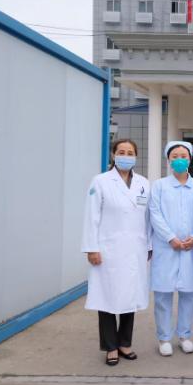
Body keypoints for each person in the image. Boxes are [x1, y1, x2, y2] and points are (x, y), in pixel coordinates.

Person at [81, 139, 151, 366]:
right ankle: (111, 347)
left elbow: (147, 218)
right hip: (108, 250)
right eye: (121, 152)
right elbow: (91, 216)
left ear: (136, 157)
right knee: (107, 298)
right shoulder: (101, 181)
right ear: (113, 154)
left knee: (130, 297)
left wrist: (149, 246)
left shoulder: (143, 183)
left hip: (135, 249)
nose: (126, 156)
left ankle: (125, 343)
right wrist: (91, 248)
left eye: (130, 152)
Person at [149, 141, 193, 357]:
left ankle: (185, 336)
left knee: (188, 294)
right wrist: (170, 238)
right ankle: (164, 338)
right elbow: (155, 214)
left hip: (190, 248)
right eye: (175, 156)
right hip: (166, 248)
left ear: (190, 159)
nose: (179, 160)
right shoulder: (159, 186)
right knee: (163, 295)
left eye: (183, 156)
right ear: (168, 160)